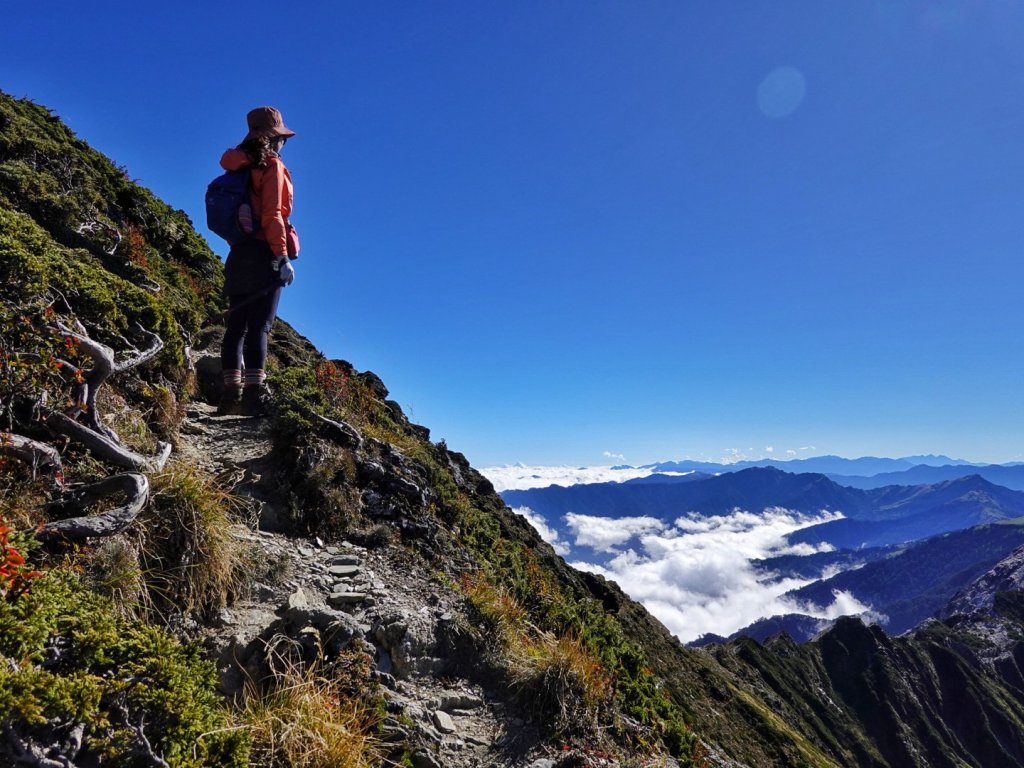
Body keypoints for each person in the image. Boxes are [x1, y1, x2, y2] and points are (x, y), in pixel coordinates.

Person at [217, 106, 299, 416]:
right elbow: (272, 214)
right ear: (273, 138)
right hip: (265, 252)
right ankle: (253, 399)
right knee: (259, 328)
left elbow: (235, 214)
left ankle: (228, 398)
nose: (283, 144)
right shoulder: (272, 166)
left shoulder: (236, 167)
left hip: (239, 253)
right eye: (282, 139)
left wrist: (239, 245)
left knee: (235, 327)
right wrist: (280, 256)